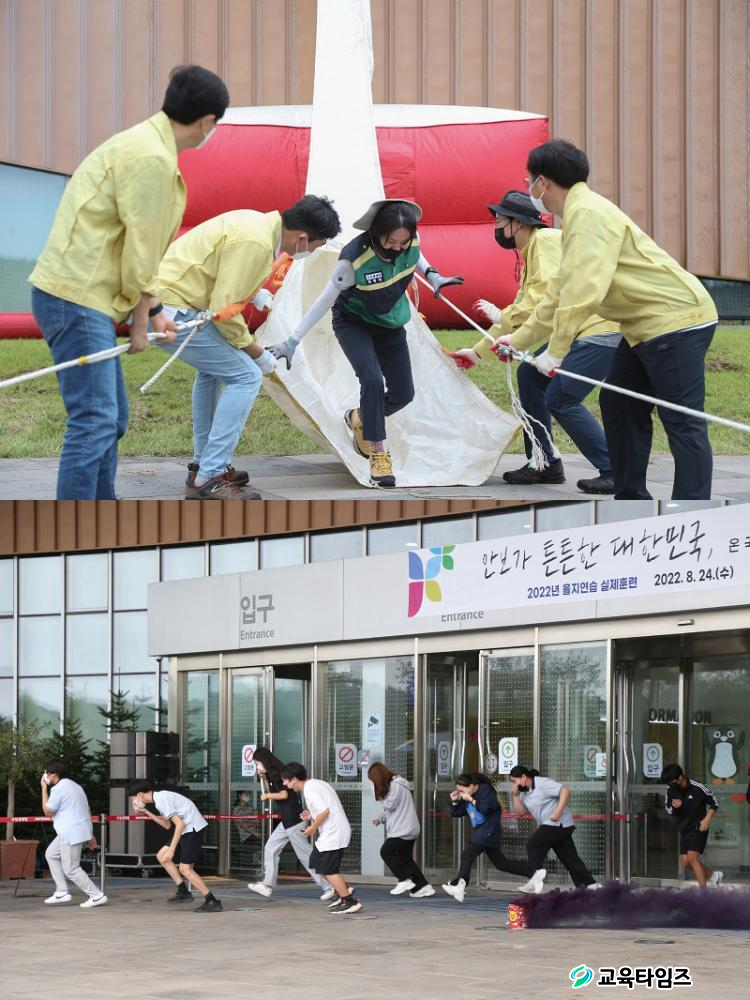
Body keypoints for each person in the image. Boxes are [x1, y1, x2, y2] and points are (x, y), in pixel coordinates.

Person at [29, 64, 230, 500]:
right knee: (94, 419)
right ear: (207, 122)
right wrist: (141, 323)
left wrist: (153, 312)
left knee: (111, 419)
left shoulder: (142, 144)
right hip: (77, 296)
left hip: (81, 295)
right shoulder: (151, 159)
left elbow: (134, 245)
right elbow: (142, 251)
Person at [508, 139, 718, 500]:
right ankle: (631, 499)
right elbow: (559, 292)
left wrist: (556, 351)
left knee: (683, 421)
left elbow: (584, 290)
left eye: (529, 180)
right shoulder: (578, 216)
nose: (528, 188)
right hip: (643, 328)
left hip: (678, 321)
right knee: (619, 404)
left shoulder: (588, 215)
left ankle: (691, 512)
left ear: (542, 182)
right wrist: (516, 341)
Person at [155, 197, 342, 499]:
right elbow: (224, 312)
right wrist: (258, 353)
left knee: (212, 373)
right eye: (316, 246)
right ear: (302, 238)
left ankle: (204, 466)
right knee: (246, 376)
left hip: (170, 301)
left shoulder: (257, 225)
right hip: (171, 311)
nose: (311, 253)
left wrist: (255, 295)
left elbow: (222, 272)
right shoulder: (255, 243)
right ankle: (209, 476)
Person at [268, 199, 463, 488]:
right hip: (353, 322)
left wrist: (433, 275)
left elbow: (416, 253)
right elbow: (325, 299)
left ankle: (359, 417)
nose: (397, 247)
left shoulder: (410, 242)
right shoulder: (352, 261)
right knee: (371, 380)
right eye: (391, 241)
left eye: (403, 241)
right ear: (377, 232)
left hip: (390, 322)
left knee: (403, 394)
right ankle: (378, 455)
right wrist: (292, 340)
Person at [447, 190, 619, 494]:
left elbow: (542, 299)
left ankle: (615, 470)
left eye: (500, 221)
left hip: (597, 330)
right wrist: (476, 352)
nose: (496, 227)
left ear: (519, 223)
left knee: (561, 399)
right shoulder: (532, 253)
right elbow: (528, 314)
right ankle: (544, 462)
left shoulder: (547, 241)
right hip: (574, 331)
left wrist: (502, 316)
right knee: (530, 376)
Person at [441, 772, 546, 902]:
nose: (461, 793)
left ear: (472, 786)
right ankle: (534, 873)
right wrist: (454, 801)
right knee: (502, 864)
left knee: (467, 854)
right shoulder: (467, 795)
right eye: (459, 791)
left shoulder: (486, 791)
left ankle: (460, 885)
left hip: (489, 831)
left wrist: (471, 799)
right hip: (483, 833)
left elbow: (486, 808)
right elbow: (457, 813)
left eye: (462, 790)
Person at [246, 747, 330, 900]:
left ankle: (329, 886)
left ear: (264, 761)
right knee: (271, 848)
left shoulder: (279, 774)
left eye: (258, 762)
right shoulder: (274, 775)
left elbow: (283, 794)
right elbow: (275, 790)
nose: (257, 766)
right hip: (287, 821)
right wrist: (264, 779)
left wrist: (267, 796)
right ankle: (267, 885)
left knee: (305, 855)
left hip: (293, 820)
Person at [280, 762, 361, 914]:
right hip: (333, 832)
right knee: (316, 861)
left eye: (286, 780)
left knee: (327, 868)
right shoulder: (315, 784)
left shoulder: (310, 789)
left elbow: (325, 811)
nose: (285, 784)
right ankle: (343, 890)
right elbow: (323, 808)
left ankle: (349, 901)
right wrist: (310, 814)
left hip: (334, 833)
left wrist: (312, 827)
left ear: (294, 779)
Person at [129, 779, 222, 912]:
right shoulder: (159, 799)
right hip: (186, 829)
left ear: (139, 795)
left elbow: (180, 824)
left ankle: (212, 901)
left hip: (192, 828)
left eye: (132, 799)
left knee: (185, 869)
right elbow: (167, 825)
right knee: (162, 856)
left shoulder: (161, 799)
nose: (133, 803)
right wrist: (146, 812)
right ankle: (183, 891)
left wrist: (172, 849)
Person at [509, 765, 600, 890]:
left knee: (533, 845)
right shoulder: (524, 793)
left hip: (558, 823)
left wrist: (558, 811)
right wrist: (515, 795)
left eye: (515, 781)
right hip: (554, 826)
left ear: (524, 777)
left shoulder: (542, 783)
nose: (514, 785)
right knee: (570, 860)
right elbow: (520, 813)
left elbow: (565, 791)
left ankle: (534, 879)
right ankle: (591, 886)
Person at [40, 760, 106, 908]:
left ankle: (96, 895)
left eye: (46, 773)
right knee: (51, 854)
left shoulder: (58, 789)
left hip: (70, 832)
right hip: (73, 831)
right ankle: (61, 891)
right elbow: (86, 809)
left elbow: (48, 811)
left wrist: (44, 789)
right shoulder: (76, 787)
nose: (45, 776)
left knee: (71, 868)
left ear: (53, 774)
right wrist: (90, 833)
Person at [367, 761, 434, 898]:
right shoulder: (397, 785)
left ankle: (404, 879)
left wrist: (377, 793)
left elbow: (390, 805)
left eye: (373, 780)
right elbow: (392, 809)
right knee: (405, 858)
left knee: (386, 851)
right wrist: (380, 818)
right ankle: (423, 887)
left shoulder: (395, 785)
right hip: (408, 827)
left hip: (403, 829)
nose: (373, 783)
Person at [661, 763, 722, 888]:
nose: (670, 785)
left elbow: (715, 802)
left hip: (699, 827)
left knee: (692, 858)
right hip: (684, 829)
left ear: (680, 777)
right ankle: (713, 876)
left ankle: (704, 895)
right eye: (668, 783)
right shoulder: (670, 790)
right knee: (686, 863)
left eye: (672, 782)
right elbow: (668, 810)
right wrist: (674, 807)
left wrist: (707, 819)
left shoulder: (697, 787)